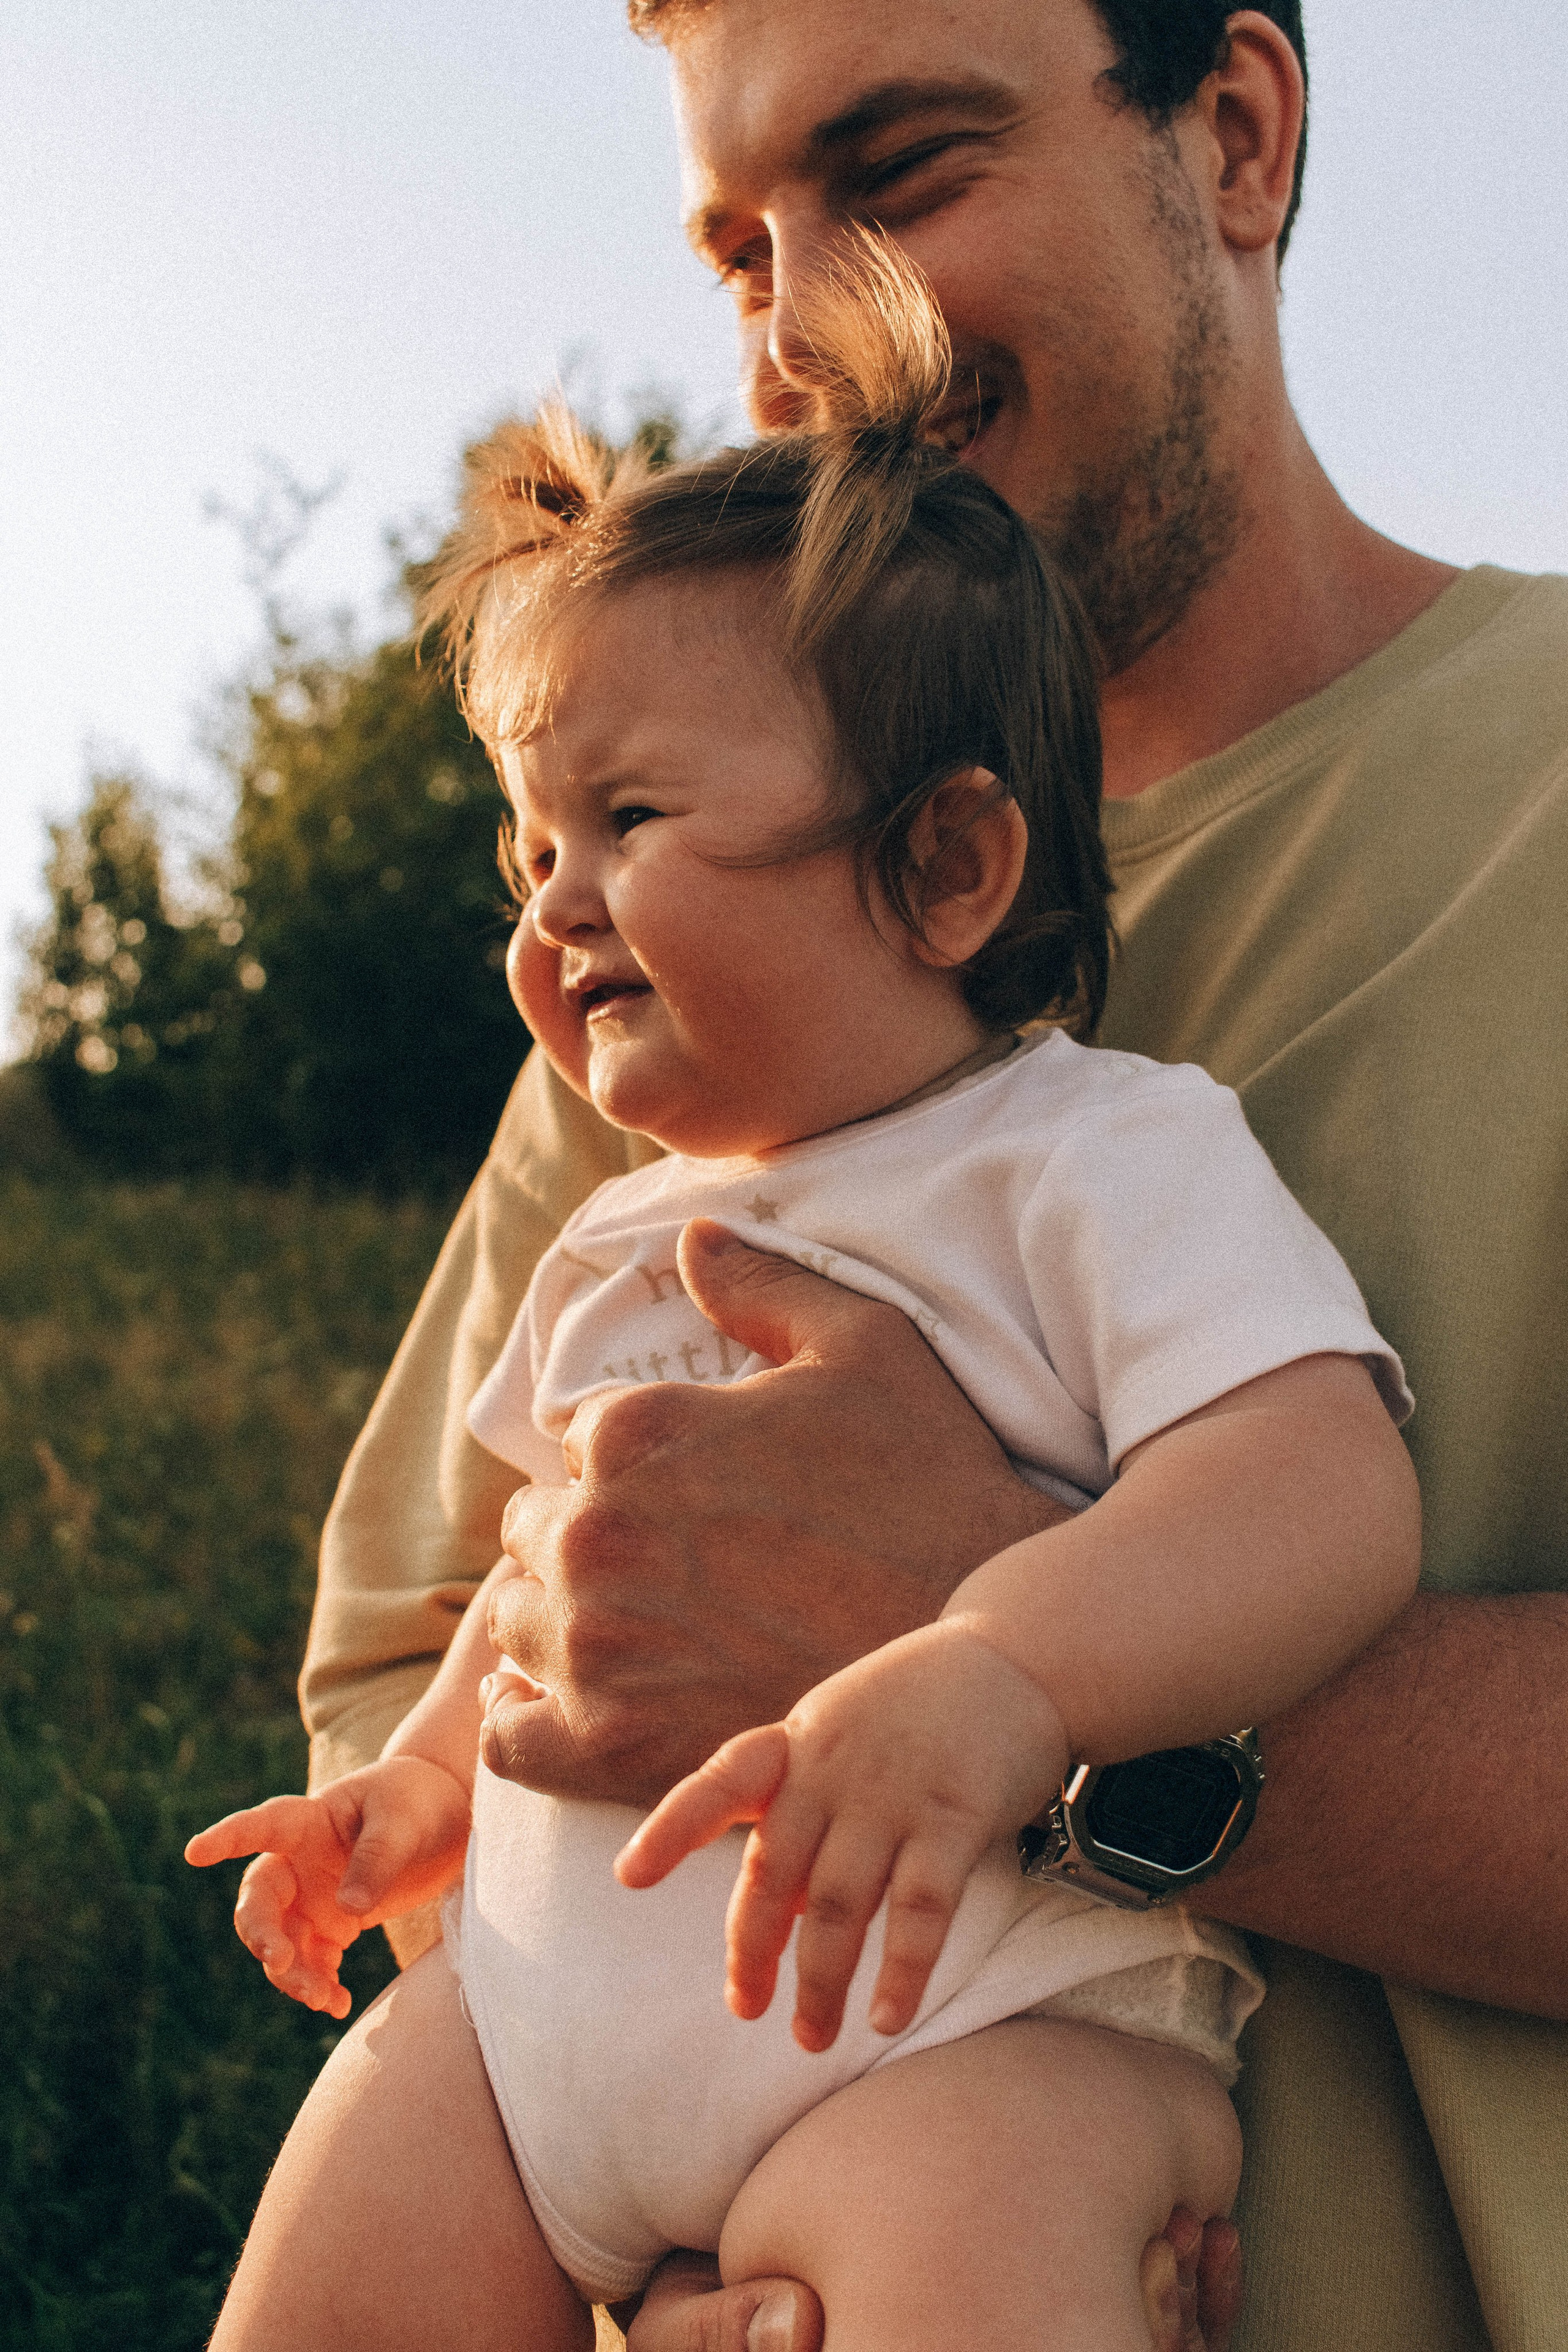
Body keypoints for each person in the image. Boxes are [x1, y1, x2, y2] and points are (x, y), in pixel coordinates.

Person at [288, 4, 1568, 2348]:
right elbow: (425, 1662)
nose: (794, 338)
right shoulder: (685, 1015)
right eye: (733, 250)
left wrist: (997, 1633)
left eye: (895, 173)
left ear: (1238, 138)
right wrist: (672, 2264)